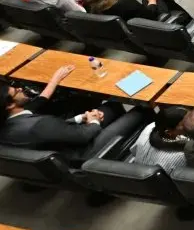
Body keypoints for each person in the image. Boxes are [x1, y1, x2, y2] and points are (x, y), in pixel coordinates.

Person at [0, 67, 143, 161]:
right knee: (141, 110)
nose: (19, 88)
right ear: (10, 105)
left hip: (60, 149)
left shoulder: (9, 122)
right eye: (16, 92)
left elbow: (52, 128)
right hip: (82, 153)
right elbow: (82, 136)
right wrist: (93, 121)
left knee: (112, 106)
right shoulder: (39, 124)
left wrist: (81, 118)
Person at [128, 106, 190, 173]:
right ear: (169, 132)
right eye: (185, 124)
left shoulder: (149, 128)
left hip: (135, 172)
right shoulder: (182, 155)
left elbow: (134, 152)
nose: (191, 124)